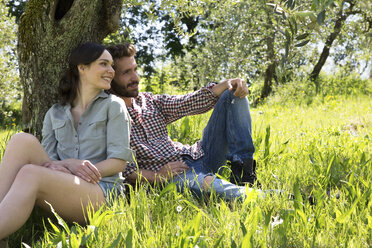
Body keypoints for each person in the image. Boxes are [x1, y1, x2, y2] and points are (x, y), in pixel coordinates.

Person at [0, 42, 134, 241]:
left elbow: (119, 162)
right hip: (63, 188)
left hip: (102, 192)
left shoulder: (113, 106)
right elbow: (48, 161)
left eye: (112, 65)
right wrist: (66, 166)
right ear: (82, 68)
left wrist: (76, 169)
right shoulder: (55, 112)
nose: (111, 71)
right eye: (104, 64)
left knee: (30, 173)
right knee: (22, 140)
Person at [106, 43, 261, 201]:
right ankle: (275, 198)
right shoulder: (106, 114)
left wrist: (226, 84)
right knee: (222, 191)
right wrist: (155, 176)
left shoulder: (148, 100)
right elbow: (118, 167)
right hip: (174, 177)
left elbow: (186, 103)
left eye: (135, 70)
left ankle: (244, 173)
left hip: (197, 155)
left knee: (232, 94)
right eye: (126, 73)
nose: (135, 78)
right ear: (110, 77)